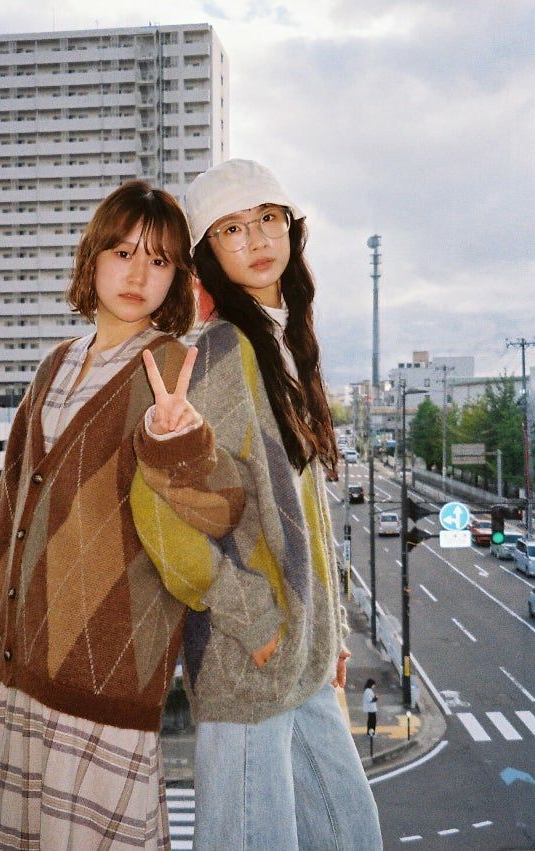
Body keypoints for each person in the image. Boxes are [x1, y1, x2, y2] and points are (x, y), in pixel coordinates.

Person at [131, 159, 383, 850]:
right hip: (247, 660)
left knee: (350, 833)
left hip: (299, 656)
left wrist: (328, 631)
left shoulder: (283, 341)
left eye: (268, 218)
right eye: (232, 228)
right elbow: (155, 510)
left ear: (291, 229)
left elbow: (304, 515)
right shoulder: (218, 353)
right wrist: (254, 617)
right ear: (208, 254)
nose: (257, 238)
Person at [0, 180, 203, 851]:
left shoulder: (174, 369)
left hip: (105, 678)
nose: (138, 274)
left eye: (158, 259)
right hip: (25, 670)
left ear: (176, 276)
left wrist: (178, 440)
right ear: (93, 258)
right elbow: (10, 506)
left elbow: (216, 508)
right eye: (123, 252)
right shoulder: (55, 364)